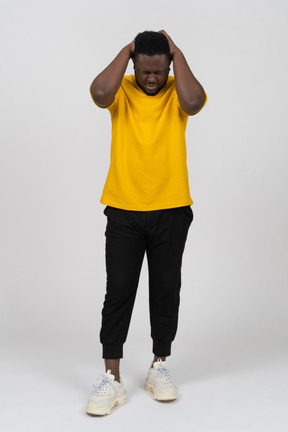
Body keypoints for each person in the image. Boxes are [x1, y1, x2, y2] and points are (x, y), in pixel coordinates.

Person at [86, 30, 207, 416]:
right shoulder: (120, 89)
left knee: (165, 289)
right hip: (124, 209)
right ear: (135, 64)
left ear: (168, 66)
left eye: (158, 71)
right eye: (145, 71)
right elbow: (99, 94)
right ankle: (112, 378)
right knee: (119, 289)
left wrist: (178, 53)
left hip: (171, 209)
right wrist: (126, 51)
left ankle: (159, 366)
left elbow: (193, 101)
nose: (151, 79)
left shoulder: (177, 90)